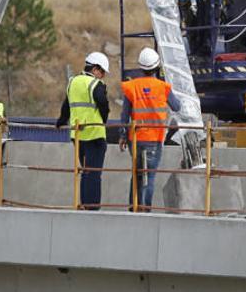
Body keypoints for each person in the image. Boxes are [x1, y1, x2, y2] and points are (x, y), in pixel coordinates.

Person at [119, 47, 182, 211]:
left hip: (135, 139)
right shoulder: (163, 87)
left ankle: (134, 206)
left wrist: (122, 136)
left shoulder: (131, 86)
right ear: (157, 67)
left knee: (137, 173)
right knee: (150, 175)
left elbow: (124, 115)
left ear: (141, 67)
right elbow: (177, 106)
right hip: (154, 139)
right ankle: (145, 209)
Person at [56, 52, 111, 211]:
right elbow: (103, 105)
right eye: (102, 72)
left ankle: (84, 204)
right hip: (95, 135)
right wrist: (104, 120)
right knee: (94, 173)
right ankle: (92, 207)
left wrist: (61, 121)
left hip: (78, 136)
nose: (103, 76)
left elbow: (66, 106)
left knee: (85, 171)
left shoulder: (72, 82)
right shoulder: (95, 84)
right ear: (95, 69)